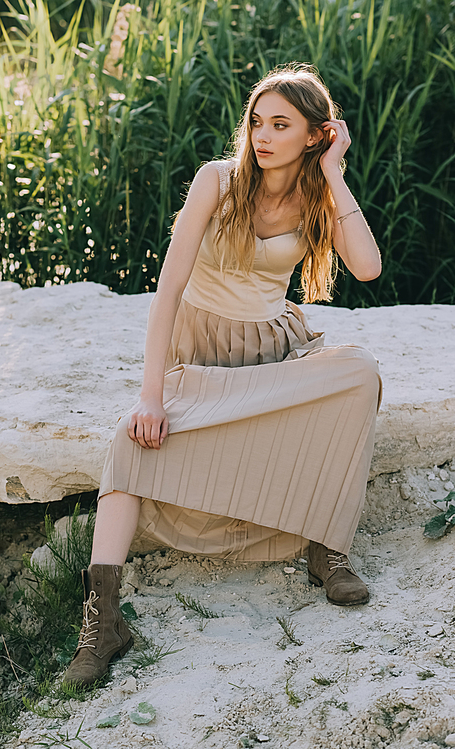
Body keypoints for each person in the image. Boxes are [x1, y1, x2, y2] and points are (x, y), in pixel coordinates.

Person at [63, 63, 382, 688]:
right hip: (199, 354)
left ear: (316, 135)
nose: (262, 136)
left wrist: (335, 174)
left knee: (360, 372)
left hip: (267, 354)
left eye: (281, 125)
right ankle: (102, 621)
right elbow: (168, 291)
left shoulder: (319, 194)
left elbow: (367, 267)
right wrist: (150, 397)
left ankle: (326, 544)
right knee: (131, 439)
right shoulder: (217, 181)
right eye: (257, 121)